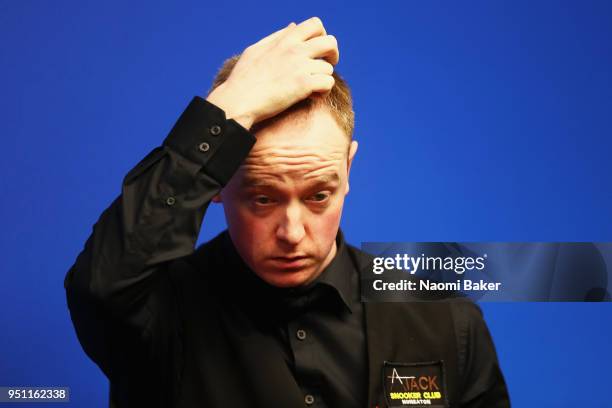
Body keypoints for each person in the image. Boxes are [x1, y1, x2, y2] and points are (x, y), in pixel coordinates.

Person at [64, 17, 510, 408]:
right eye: (262, 198)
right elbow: (100, 287)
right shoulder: (158, 315)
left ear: (348, 168)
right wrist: (224, 113)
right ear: (214, 185)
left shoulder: (447, 319)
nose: (293, 232)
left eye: (318, 196)